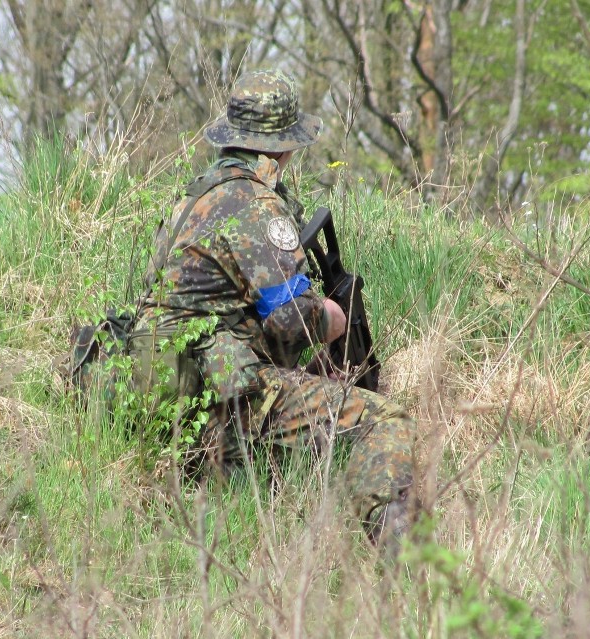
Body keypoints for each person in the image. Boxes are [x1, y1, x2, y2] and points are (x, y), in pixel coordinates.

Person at [135, 70, 417, 547]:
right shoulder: (256, 203)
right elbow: (290, 318)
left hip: (163, 399)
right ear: (279, 148)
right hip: (219, 396)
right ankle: (400, 559)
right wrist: (334, 316)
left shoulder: (196, 199)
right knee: (387, 421)